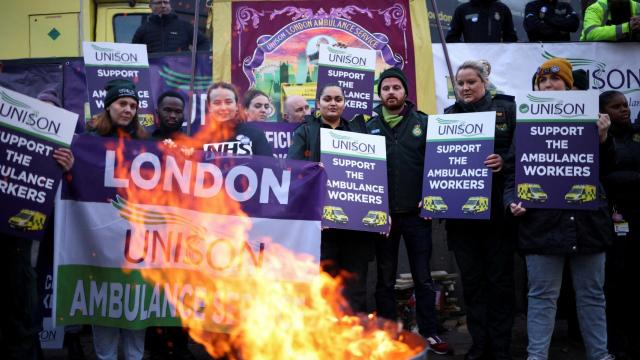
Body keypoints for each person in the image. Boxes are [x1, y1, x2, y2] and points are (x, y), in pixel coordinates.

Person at [505, 58, 615, 360]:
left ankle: (600, 354)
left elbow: (610, 172)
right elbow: (513, 174)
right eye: (542, 82)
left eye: (555, 81)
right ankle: (536, 356)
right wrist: (511, 201)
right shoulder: (526, 126)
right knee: (541, 297)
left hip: (588, 225)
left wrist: (604, 140)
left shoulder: (596, 120)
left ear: (572, 87)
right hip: (542, 225)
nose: (548, 86)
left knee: (592, 297)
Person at [362, 67, 450, 355]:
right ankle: (388, 334)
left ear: (405, 92)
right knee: (385, 279)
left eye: (395, 88)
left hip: (416, 215)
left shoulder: (423, 123)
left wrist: (432, 196)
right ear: (379, 94)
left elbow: (437, 164)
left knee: (423, 278)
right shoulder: (368, 126)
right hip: (383, 216)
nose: (390, 92)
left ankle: (430, 332)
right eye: (385, 88)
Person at [444, 60, 516, 360]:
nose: (465, 88)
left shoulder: (506, 110)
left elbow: (523, 152)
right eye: (460, 83)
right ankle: (479, 344)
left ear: (483, 82)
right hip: (462, 220)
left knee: (499, 282)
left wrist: (503, 161)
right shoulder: (448, 116)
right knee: (472, 284)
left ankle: (500, 348)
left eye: (471, 82)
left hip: (497, 216)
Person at [0, 88, 75, 360]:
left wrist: (68, 170)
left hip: (41, 241)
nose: (47, 115)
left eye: (52, 112)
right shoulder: (10, 142)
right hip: (13, 240)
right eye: (41, 109)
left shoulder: (67, 150)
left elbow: (78, 189)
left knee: (27, 303)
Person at [288, 84, 374, 313]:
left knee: (355, 285)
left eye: (338, 99)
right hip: (320, 225)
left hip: (354, 226)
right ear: (318, 104)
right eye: (327, 99)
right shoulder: (305, 131)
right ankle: (325, 339)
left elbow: (373, 173)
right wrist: (313, 169)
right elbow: (291, 169)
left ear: (344, 103)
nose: (333, 103)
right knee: (324, 285)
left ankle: (355, 337)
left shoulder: (358, 132)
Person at [86, 79, 147, 360]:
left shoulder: (147, 144)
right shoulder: (88, 142)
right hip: (101, 235)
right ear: (109, 105)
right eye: (123, 103)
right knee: (105, 301)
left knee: (136, 301)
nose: (128, 109)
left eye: (133, 105)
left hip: (136, 239)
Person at [147, 90, 197, 360]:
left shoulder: (194, 144)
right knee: (156, 287)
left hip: (185, 228)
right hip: (154, 227)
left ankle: (180, 344)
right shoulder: (143, 142)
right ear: (158, 111)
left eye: (178, 112)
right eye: (168, 110)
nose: (173, 115)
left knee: (183, 288)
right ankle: (155, 346)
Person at [600, 90, 640, 360]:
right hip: (610, 219)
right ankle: (616, 342)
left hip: (636, 215)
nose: (624, 110)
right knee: (614, 282)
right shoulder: (600, 139)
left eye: (625, 105)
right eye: (616, 107)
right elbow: (602, 175)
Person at [204, 82, 273, 156]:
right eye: (217, 103)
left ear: (237, 106)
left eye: (228, 102)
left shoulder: (256, 135)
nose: (223, 108)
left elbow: (269, 165)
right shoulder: (199, 139)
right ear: (209, 107)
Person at [132, 0, 210, 53]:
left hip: (180, 74)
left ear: (170, 5)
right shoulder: (143, 30)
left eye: (166, 2)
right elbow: (134, 53)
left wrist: (197, 60)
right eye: (158, 2)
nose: (163, 5)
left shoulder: (184, 26)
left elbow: (203, 42)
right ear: (150, 6)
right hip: (153, 75)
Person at [445, 0, 518, 43]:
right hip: (470, 62)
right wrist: (466, 50)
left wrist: (501, 51)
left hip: (497, 61)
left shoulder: (502, 9)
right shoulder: (462, 9)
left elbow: (511, 37)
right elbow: (451, 38)